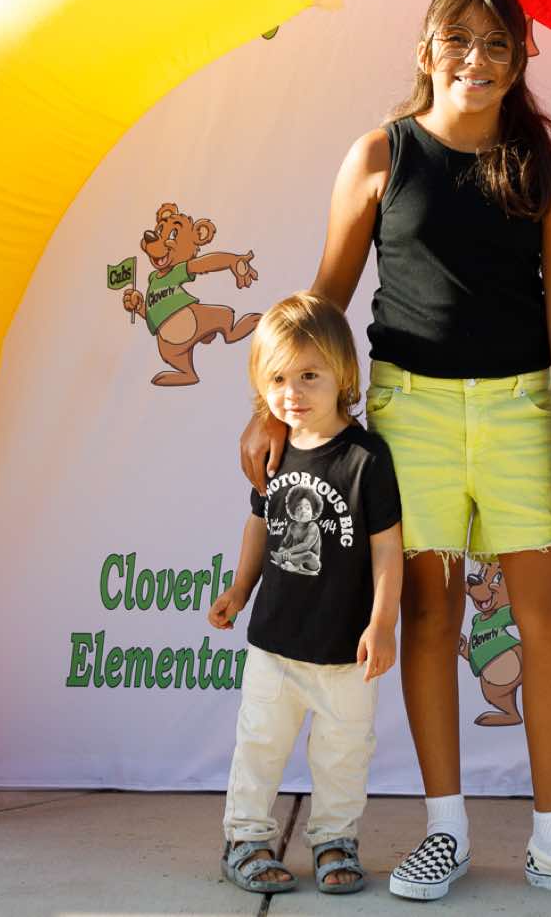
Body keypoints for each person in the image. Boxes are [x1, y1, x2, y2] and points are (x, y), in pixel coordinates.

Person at [240, 0, 551, 906]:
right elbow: (327, 300)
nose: (478, 59)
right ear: (428, 50)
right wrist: (271, 408)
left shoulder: (548, 169)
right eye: (460, 40)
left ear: (520, 61)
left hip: (520, 415)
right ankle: (445, 832)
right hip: (410, 416)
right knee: (429, 618)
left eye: (497, 44)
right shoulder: (380, 156)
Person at [210, 292, 403, 896]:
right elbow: (259, 523)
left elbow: (387, 549)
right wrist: (240, 588)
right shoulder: (275, 451)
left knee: (344, 753)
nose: (292, 393)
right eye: (277, 379)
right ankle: (245, 839)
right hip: (274, 644)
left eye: (309, 376)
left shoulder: (366, 457)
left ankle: (334, 839)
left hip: (346, 651)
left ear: (342, 374)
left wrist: (382, 623)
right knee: (259, 745)